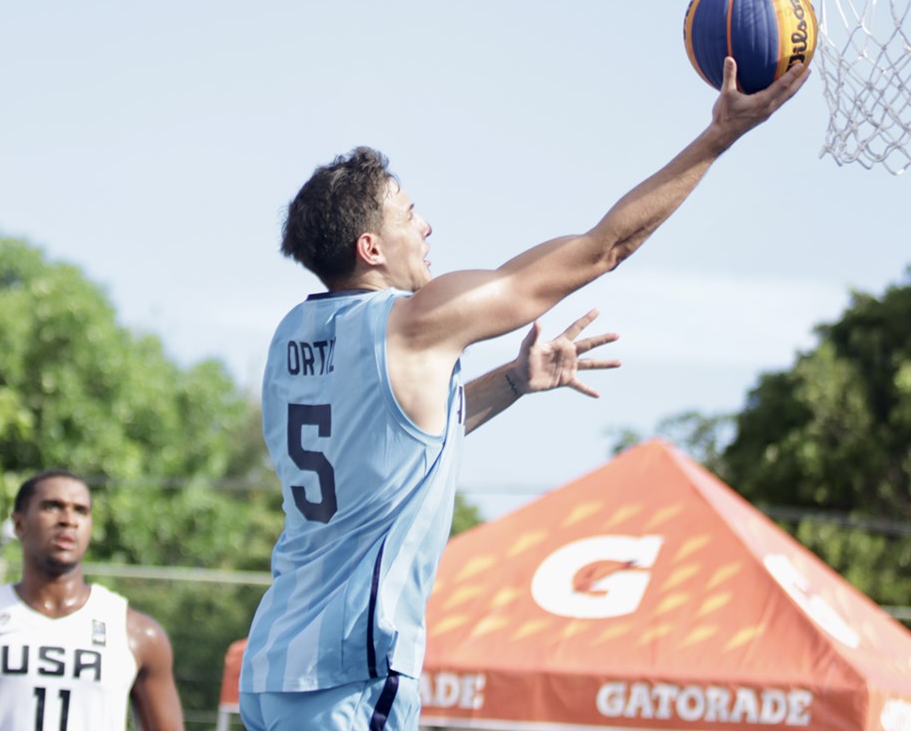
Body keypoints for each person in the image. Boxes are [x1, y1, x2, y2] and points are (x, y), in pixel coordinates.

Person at [240, 57, 810, 731]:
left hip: (275, 664)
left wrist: (513, 381)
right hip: (350, 672)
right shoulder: (415, 323)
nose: (425, 227)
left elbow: (400, 437)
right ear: (371, 246)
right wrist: (720, 136)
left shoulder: (292, 337)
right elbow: (603, 250)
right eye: (410, 214)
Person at [0, 469, 185, 731]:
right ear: (19, 524)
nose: (68, 520)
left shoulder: (137, 633)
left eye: (80, 510)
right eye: (52, 506)